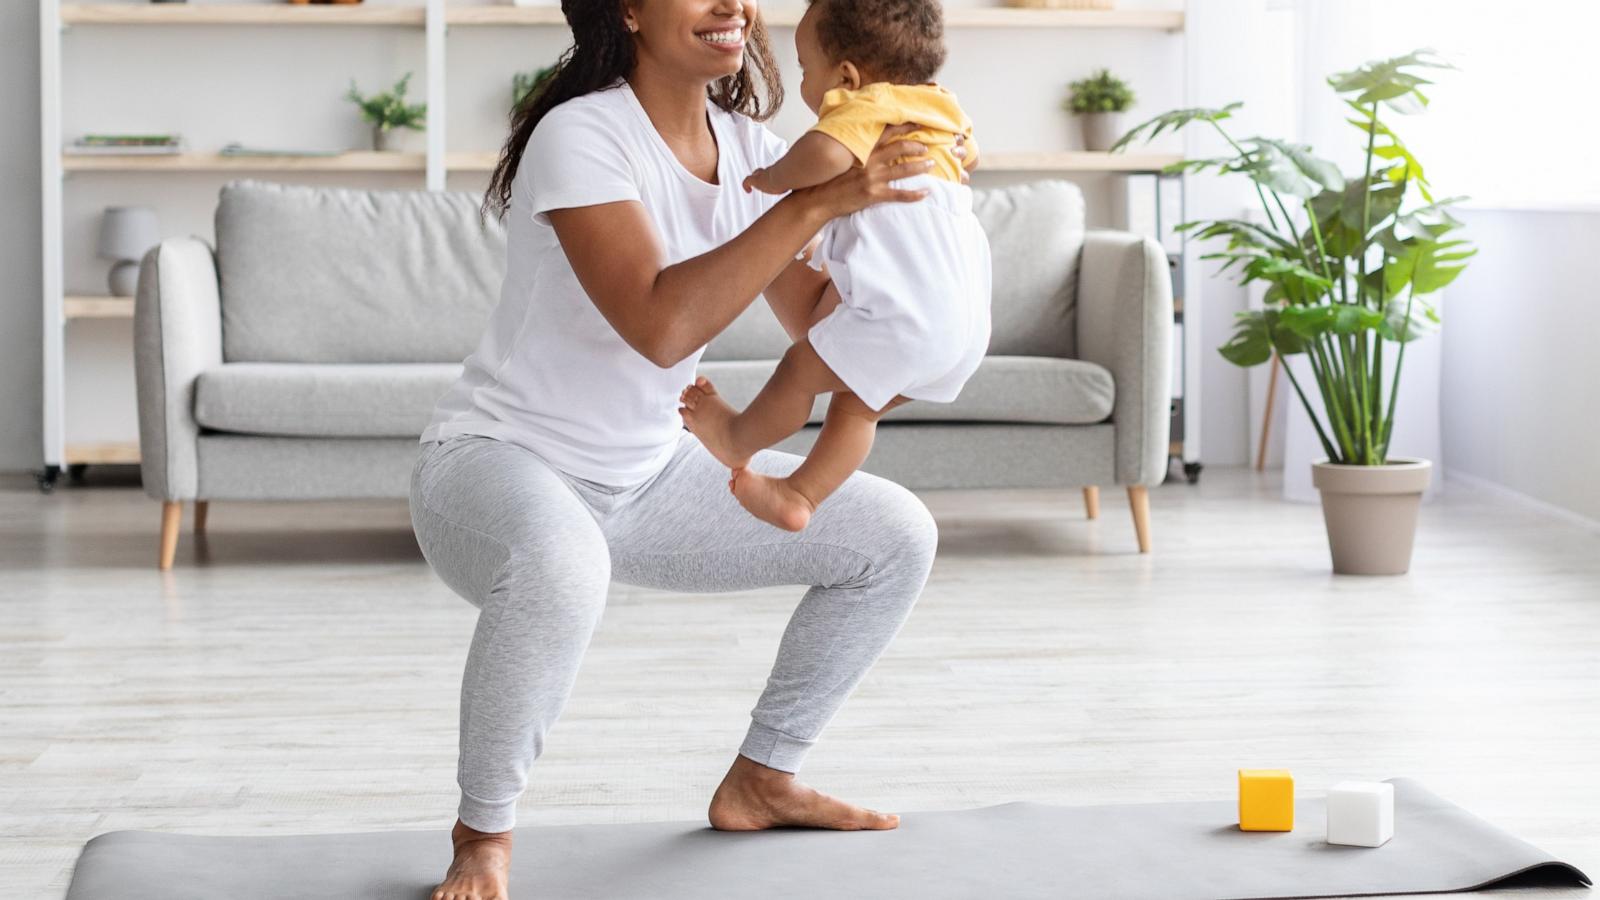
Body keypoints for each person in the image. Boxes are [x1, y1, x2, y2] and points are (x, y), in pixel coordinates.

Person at [406, 1, 973, 898]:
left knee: (894, 533)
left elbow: (816, 318)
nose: (732, 4)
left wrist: (924, 241)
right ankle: (483, 836)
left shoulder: (753, 148)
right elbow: (661, 326)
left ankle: (762, 779)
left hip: (650, 477)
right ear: (628, 8)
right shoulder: (581, 134)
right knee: (561, 564)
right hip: (498, 462)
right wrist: (819, 200)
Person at [678, 0, 993, 532]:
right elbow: (971, 156)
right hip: (960, 328)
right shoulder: (939, 107)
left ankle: (735, 438)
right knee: (856, 407)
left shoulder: (869, 104)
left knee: (799, 370)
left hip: (904, 321)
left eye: (805, 71)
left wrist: (775, 178)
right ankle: (800, 493)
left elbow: (822, 157)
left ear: (846, 77)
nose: (804, 86)